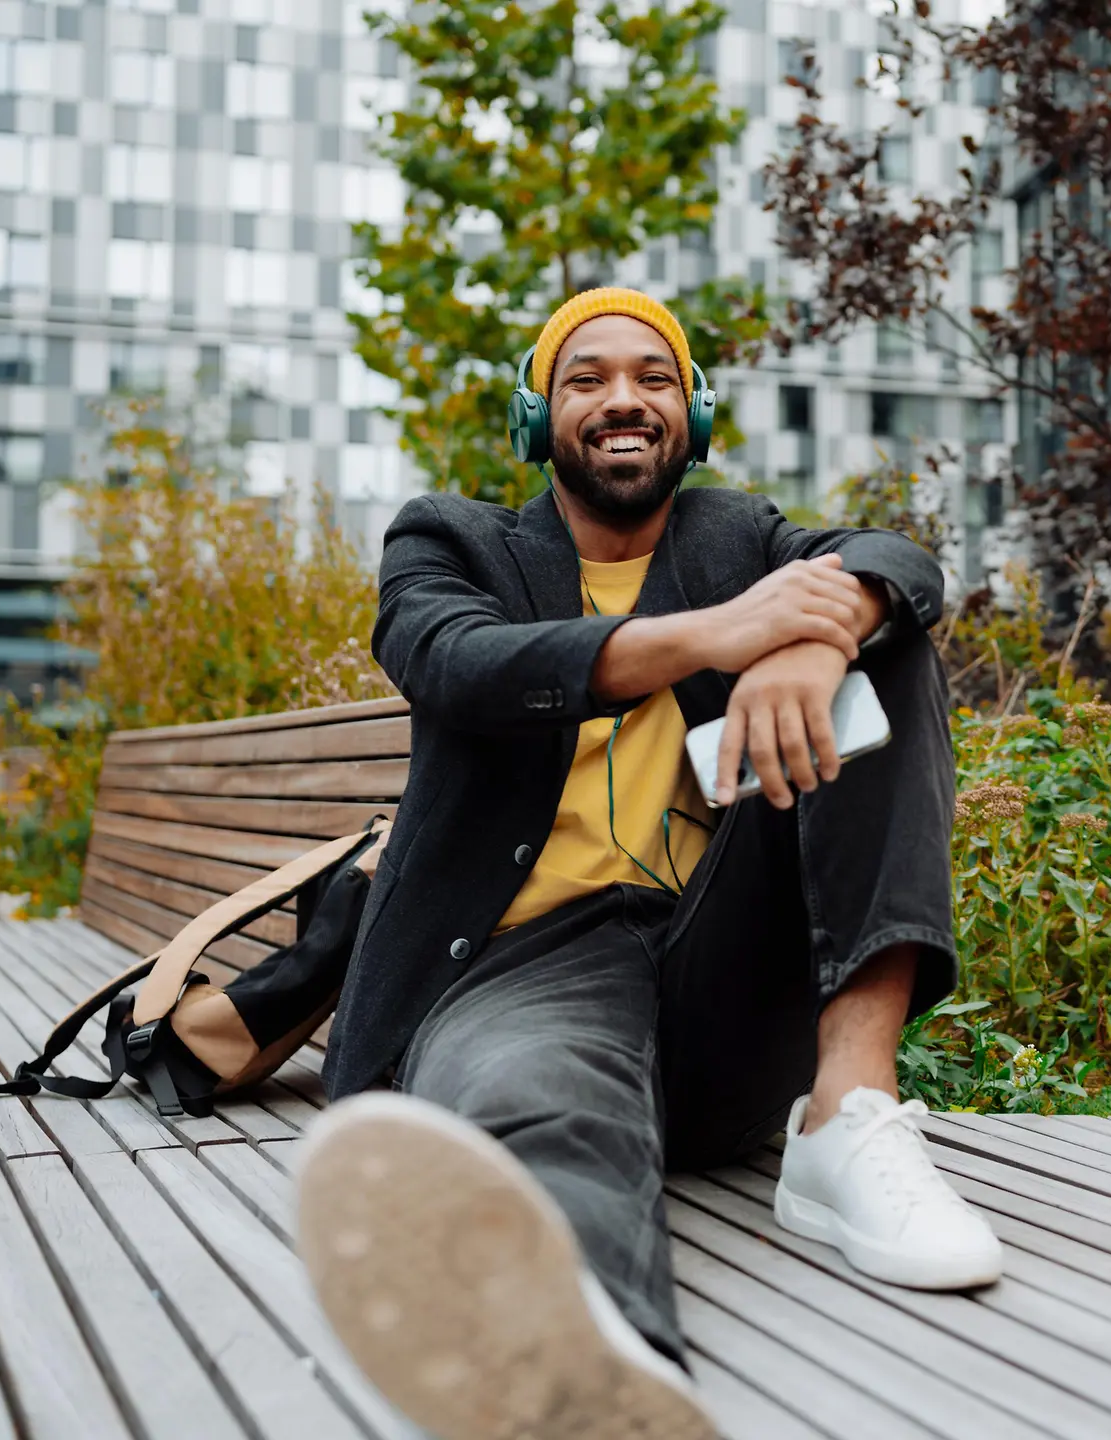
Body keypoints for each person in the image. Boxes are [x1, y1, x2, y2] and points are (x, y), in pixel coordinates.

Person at [296, 289, 1001, 1440]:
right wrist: (723, 638)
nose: (624, 397)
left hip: (717, 967)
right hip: (522, 969)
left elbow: (897, 562)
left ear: (693, 412)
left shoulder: (738, 538)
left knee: (888, 650)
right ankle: (596, 1369)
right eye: (587, 378)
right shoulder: (453, 540)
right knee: (540, 1109)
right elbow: (457, 661)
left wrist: (817, 636)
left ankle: (850, 1116)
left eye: (654, 376)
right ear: (539, 416)